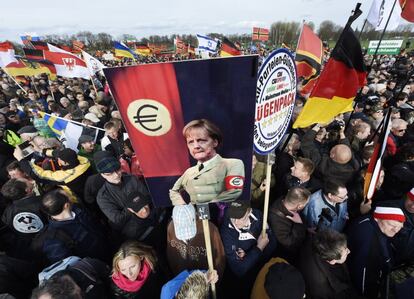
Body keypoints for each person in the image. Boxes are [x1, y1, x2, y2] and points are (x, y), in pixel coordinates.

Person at [169, 119, 245, 205]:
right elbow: (174, 191)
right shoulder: (189, 172)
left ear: (215, 142)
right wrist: (183, 207)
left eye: (201, 140)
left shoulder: (232, 164)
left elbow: (234, 192)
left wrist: (207, 207)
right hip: (195, 217)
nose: (196, 146)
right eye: (190, 142)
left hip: (221, 215)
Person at [96, 154, 163, 246]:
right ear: (102, 175)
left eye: (117, 170)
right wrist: (133, 206)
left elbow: (147, 196)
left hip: (153, 219)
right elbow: (117, 219)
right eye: (109, 173)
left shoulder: (131, 178)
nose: (116, 175)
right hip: (136, 233)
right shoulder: (103, 196)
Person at [220, 199, 276, 298]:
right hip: (246, 280)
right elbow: (239, 269)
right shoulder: (226, 232)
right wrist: (259, 248)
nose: (236, 222)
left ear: (250, 212)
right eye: (233, 217)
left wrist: (251, 256)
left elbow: (272, 244)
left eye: (241, 218)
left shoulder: (258, 215)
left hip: (263, 268)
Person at [347, 205, 405, 298]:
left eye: (400, 227)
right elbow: (363, 275)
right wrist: (367, 295)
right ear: (378, 218)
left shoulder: (367, 220)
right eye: (392, 225)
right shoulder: (370, 243)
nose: (396, 230)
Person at [39, 189, 109, 264]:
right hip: (99, 264)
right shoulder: (54, 240)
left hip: (108, 246)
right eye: (68, 196)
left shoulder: (78, 208)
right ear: (66, 205)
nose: (71, 196)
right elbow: (68, 266)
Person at [298, 229, 362, 299]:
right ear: (332, 261)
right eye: (346, 252)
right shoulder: (327, 290)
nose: (349, 251)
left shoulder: (314, 239)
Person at [166, 204, 225, 278]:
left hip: (206, 280)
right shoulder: (171, 228)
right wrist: (178, 277)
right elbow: (171, 255)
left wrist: (216, 279)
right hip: (184, 281)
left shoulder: (210, 229)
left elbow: (220, 258)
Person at [268, 187, 310, 262]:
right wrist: (299, 224)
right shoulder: (277, 220)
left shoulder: (286, 201)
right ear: (299, 206)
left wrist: (306, 228)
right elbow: (290, 244)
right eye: (305, 204)